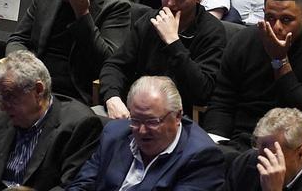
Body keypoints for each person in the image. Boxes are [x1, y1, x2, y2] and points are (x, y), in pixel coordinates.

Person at [205, 0, 302, 145]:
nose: (276, 26)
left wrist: (280, 61)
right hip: (239, 138)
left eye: (286, 20)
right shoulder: (243, 41)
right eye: (270, 18)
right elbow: (222, 101)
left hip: (286, 145)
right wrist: (215, 144)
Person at [5, 0, 132, 105]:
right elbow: (17, 40)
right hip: (35, 85)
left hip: (74, 95)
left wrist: (83, 14)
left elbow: (108, 63)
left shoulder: (115, 5)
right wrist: (25, 67)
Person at [100, 0, 226, 117]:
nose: (170, 3)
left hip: (179, 119)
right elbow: (115, 65)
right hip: (138, 110)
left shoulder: (212, 32)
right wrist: (112, 98)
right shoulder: (149, 21)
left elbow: (202, 92)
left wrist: (173, 42)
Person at [0, 51, 102, 191]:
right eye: (0, 96)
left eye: (9, 96)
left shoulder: (79, 126)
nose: (2, 106)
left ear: (38, 91)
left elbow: (72, 186)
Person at [65, 75, 225, 191]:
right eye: (135, 120)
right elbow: (82, 184)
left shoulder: (202, 157)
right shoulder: (114, 133)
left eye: (152, 122)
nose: (141, 130)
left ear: (177, 116)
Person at [222, 107, 302, 191]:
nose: (260, 159)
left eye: (271, 153)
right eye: (258, 146)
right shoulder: (248, 161)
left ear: (301, 153)